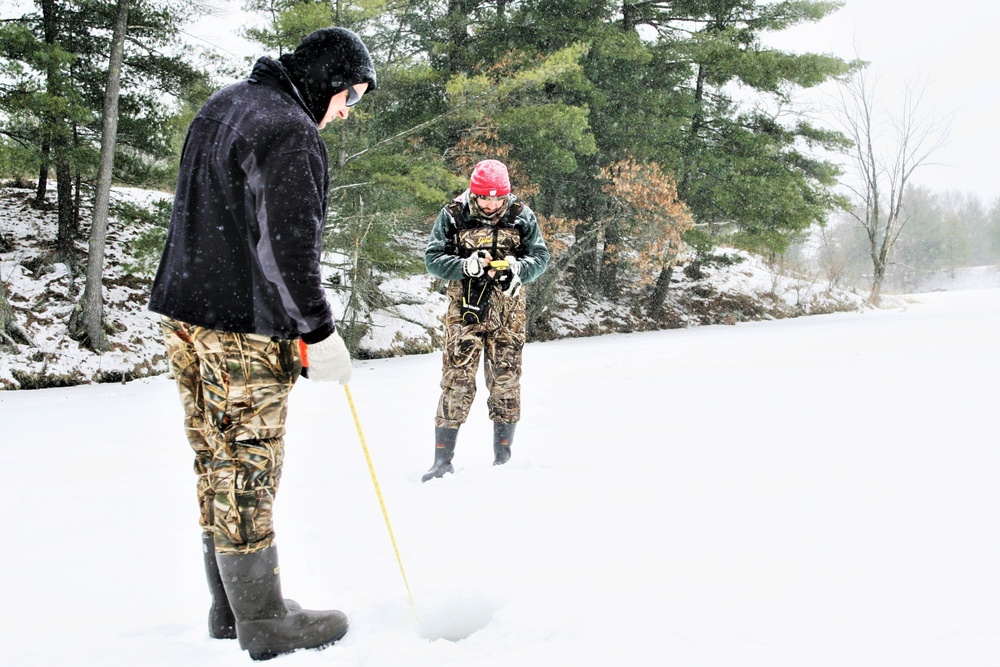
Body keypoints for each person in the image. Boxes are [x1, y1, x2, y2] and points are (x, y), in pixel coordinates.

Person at [147, 27, 375, 660]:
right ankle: (264, 621)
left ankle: (233, 607)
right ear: (333, 82)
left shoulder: (226, 104)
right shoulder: (289, 128)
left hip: (186, 314)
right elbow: (289, 247)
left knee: (215, 455)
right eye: (351, 97)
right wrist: (318, 331)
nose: (346, 113)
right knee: (248, 460)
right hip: (242, 326)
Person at [422, 159, 550, 482]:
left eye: (497, 198)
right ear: (473, 193)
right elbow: (433, 259)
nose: (492, 205)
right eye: (484, 198)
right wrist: (466, 266)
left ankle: (503, 459)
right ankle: (442, 461)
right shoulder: (453, 215)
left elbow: (541, 257)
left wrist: (517, 270)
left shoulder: (522, 216)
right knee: (457, 382)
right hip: (465, 312)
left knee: (506, 382)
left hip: (508, 312)